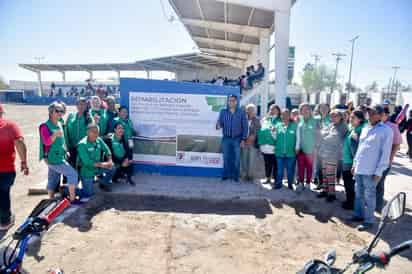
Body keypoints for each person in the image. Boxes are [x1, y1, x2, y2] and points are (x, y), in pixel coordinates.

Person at [351, 105, 393, 231]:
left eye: (373, 112)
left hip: (372, 171)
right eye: (369, 112)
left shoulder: (386, 130)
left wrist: (379, 171)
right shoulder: (365, 128)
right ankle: (358, 215)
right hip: (359, 168)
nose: (370, 114)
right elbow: (360, 149)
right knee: (358, 194)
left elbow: (385, 154)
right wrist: (354, 164)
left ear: (380, 115)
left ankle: (369, 221)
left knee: (370, 196)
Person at [39, 102, 80, 203]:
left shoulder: (59, 123)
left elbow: (62, 140)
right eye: (57, 111)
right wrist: (54, 135)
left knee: (53, 178)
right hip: (53, 158)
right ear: (51, 112)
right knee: (72, 174)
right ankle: (72, 199)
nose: (60, 113)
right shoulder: (45, 126)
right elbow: (46, 141)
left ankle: (51, 199)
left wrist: (65, 150)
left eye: (61, 111)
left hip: (59, 155)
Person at [0, 104, 29, 230]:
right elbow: (20, 143)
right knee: (3, 194)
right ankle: (5, 221)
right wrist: (24, 162)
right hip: (6, 169)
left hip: (6, 169)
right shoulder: (10, 126)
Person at [375, 108, 402, 213]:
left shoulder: (392, 127)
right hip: (373, 160)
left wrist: (390, 159)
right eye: (378, 114)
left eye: (382, 114)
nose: (380, 116)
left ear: (387, 115)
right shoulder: (375, 125)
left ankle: (378, 206)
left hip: (384, 161)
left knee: (379, 183)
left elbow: (396, 144)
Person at [317, 110, 348, 202]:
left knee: (330, 175)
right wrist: (325, 135)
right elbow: (322, 133)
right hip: (324, 153)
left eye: (335, 116)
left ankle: (332, 193)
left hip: (333, 154)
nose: (333, 118)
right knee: (325, 173)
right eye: (332, 116)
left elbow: (334, 138)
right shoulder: (331, 125)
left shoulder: (343, 126)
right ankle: (325, 190)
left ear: (340, 117)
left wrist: (325, 136)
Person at [216, 95, 248, 182]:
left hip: (237, 139)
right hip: (226, 138)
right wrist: (218, 125)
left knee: (237, 159)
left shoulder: (241, 112)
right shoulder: (223, 112)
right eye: (230, 101)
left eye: (233, 100)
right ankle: (226, 175)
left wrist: (243, 139)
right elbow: (219, 123)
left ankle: (235, 176)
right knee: (226, 157)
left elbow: (245, 127)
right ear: (228, 102)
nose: (231, 102)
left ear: (236, 102)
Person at [77, 124, 114, 196]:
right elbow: (87, 162)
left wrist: (110, 161)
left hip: (97, 168)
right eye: (93, 132)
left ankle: (103, 183)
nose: (96, 134)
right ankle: (66, 189)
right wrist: (103, 165)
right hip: (87, 171)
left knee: (112, 167)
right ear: (87, 132)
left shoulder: (98, 139)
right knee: (88, 194)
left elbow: (107, 150)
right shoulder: (82, 144)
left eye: (97, 132)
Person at [341, 110, 366, 210]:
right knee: (347, 183)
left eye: (353, 117)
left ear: (360, 119)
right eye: (350, 117)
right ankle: (349, 201)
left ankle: (351, 204)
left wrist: (354, 164)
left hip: (351, 162)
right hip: (346, 159)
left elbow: (357, 150)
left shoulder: (359, 131)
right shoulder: (353, 128)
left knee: (350, 184)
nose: (350, 119)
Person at [296, 103, 320, 191]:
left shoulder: (315, 121)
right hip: (301, 149)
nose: (305, 111)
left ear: (310, 110)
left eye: (307, 109)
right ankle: (301, 182)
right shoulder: (300, 121)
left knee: (309, 168)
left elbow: (318, 135)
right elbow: (298, 135)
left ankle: (308, 183)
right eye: (303, 109)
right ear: (300, 111)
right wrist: (297, 147)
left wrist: (316, 146)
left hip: (311, 149)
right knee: (300, 167)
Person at [65, 97, 93, 167]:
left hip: (84, 148)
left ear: (86, 106)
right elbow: (66, 131)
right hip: (71, 147)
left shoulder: (89, 118)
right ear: (76, 105)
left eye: (83, 104)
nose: (81, 106)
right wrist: (66, 146)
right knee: (71, 167)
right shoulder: (71, 116)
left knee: (82, 168)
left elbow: (92, 134)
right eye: (79, 104)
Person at [273, 109, 298, 190]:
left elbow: (298, 138)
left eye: (287, 114)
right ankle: (278, 184)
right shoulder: (278, 125)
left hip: (291, 152)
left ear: (290, 115)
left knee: (290, 171)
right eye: (283, 114)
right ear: (281, 116)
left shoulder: (295, 125)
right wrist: (272, 132)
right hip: (279, 152)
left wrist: (297, 148)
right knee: (279, 171)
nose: (285, 116)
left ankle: (290, 184)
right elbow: (274, 137)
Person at [258, 104, 281, 184]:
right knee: (267, 164)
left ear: (278, 111)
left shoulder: (280, 120)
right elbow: (261, 131)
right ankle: (268, 178)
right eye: (271, 109)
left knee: (276, 164)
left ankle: (275, 179)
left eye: (274, 109)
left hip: (275, 147)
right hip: (265, 146)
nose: (272, 111)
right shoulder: (266, 120)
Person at [240, 104, 261, 181]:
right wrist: (243, 139)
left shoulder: (257, 120)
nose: (250, 111)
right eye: (249, 109)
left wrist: (253, 137)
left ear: (254, 111)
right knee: (244, 159)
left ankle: (250, 176)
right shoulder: (243, 119)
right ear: (246, 110)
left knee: (251, 160)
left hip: (253, 143)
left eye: (252, 109)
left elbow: (258, 130)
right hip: (244, 142)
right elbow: (240, 129)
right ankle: (244, 175)